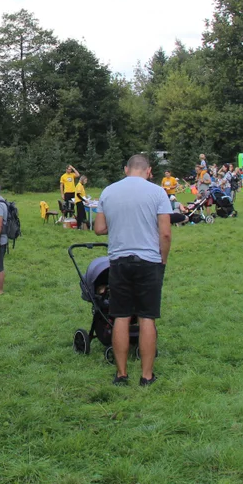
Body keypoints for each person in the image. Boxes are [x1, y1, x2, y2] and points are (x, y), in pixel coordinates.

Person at [93, 155, 171, 387]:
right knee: (147, 317)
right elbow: (165, 234)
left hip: (119, 261)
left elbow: (98, 229)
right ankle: (146, 376)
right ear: (148, 171)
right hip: (148, 261)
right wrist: (162, 261)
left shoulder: (108, 191)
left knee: (121, 316)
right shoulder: (158, 193)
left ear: (126, 169)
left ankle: (121, 374)